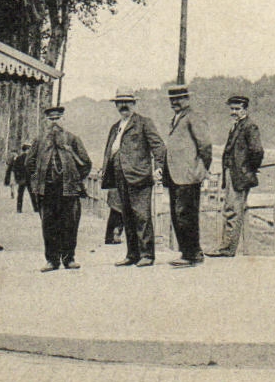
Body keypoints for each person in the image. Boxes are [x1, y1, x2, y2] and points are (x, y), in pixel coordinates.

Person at [99, 91, 166, 268]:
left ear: (134, 104)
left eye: (127, 102)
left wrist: (159, 167)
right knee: (126, 215)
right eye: (120, 102)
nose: (124, 106)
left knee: (142, 215)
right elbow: (109, 151)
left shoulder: (143, 123)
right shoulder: (115, 127)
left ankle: (147, 255)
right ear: (116, 105)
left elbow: (158, 146)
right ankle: (132, 254)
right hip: (120, 177)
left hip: (139, 176)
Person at [31, 104, 92, 271]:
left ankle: (69, 258)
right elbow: (29, 163)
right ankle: (52, 260)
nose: (54, 122)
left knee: (70, 224)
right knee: (49, 226)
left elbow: (86, 163)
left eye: (57, 118)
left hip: (69, 190)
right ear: (46, 121)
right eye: (51, 119)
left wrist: (75, 179)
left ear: (63, 119)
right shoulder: (39, 141)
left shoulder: (73, 139)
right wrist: (38, 181)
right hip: (47, 190)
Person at [162, 85, 213, 268]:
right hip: (175, 176)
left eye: (179, 99)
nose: (175, 102)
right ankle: (188, 253)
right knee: (178, 215)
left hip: (188, 176)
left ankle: (192, 254)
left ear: (187, 99)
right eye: (172, 99)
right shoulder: (176, 118)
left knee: (186, 215)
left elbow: (205, 146)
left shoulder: (193, 117)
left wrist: (201, 169)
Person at [207, 94, 264, 258]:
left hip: (239, 175)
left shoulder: (250, 126)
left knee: (233, 211)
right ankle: (226, 247)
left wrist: (247, 169)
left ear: (245, 109)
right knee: (230, 209)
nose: (234, 112)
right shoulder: (237, 126)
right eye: (232, 109)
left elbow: (257, 151)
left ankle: (227, 249)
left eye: (237, 109)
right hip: (232, 174)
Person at [7, 141, 36, 213]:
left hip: (22, 179)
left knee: (20, 194)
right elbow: (34, 169)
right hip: (29, 179)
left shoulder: (18, 158)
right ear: (27, 150)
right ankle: (36, 208)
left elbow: (15, 169)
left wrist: (17, 178)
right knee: (32, 194)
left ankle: (19, 209)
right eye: (29, 149)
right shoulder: (31, 159)